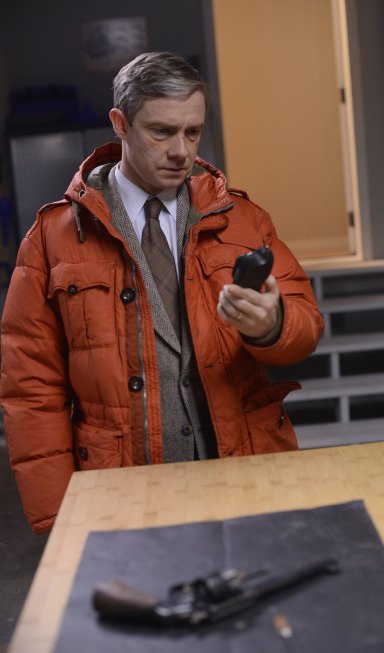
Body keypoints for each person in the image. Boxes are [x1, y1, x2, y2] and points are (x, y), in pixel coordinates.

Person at [0, 52, 324, 534]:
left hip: (244, 471)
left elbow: (306, 327)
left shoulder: (242, 220)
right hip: (122, 492)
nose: (181, 151)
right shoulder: (54, 237)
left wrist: (272, 325)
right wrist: (59, 520)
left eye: (193, 132)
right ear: (120, 124)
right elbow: (31, 389)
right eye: (162, 132)